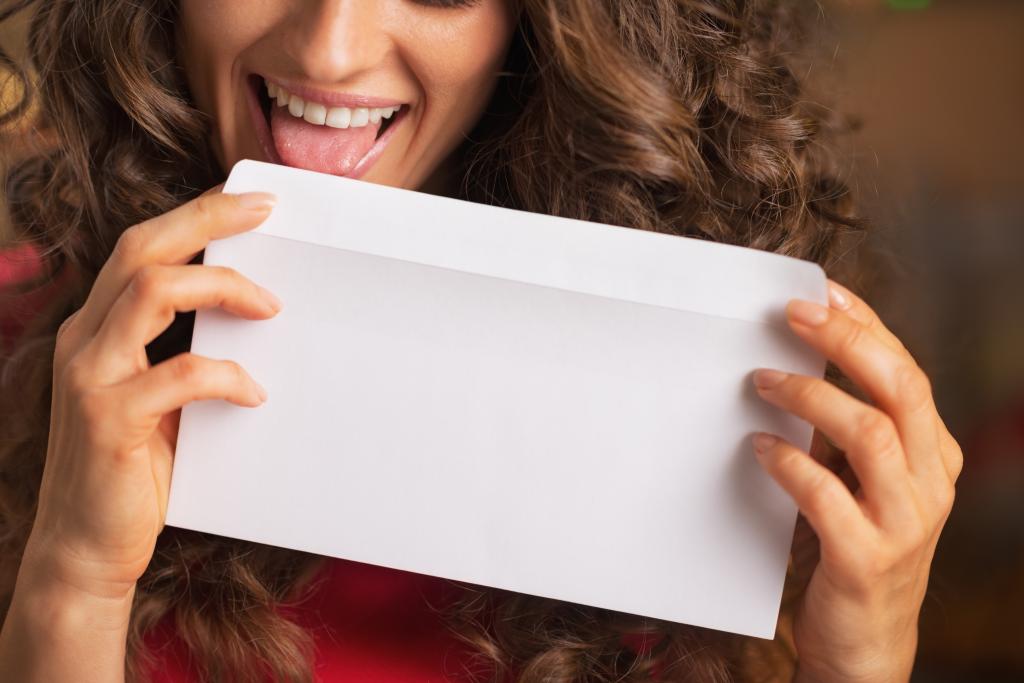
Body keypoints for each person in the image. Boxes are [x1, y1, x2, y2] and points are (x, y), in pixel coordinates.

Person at [0, 1, 962, 681]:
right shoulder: (28, 340)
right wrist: (72, 581)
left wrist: (859, 663)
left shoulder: (713, 428)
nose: (331, 50)